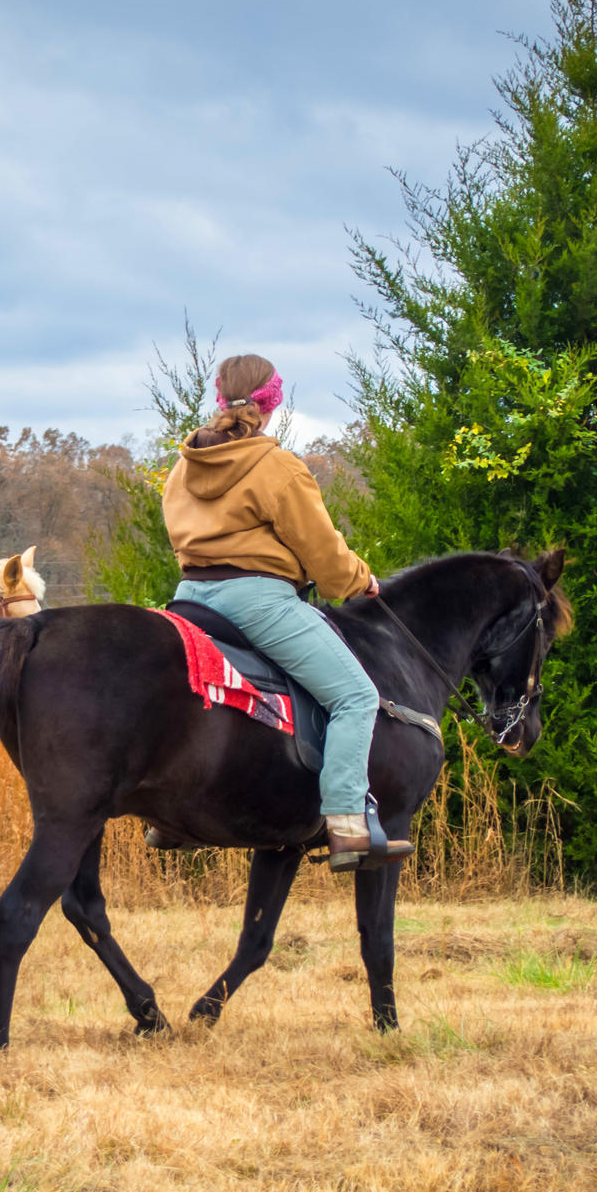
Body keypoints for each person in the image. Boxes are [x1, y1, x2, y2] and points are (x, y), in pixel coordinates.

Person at [161, 354, 410, 870]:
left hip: (189, 596)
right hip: (256, 601)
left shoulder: (184, 466)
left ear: (220, 397)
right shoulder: (278, 468)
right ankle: (346, 825)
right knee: (355, 696)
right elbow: (324, 553)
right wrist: (358, 580)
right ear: (272, 403)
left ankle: (167, 818)